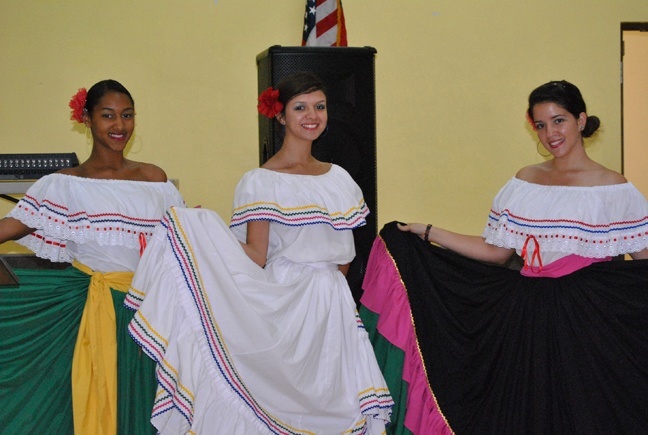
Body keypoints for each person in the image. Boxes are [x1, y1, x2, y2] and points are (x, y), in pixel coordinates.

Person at [359, 80, 648, 434]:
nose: (550, 134)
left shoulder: (614, 188)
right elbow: (496, 252)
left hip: (587, 323)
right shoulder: (524, 182)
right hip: (525, 316)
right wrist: (429, 232)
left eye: (559, 121)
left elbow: (643, 264)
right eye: (540, 125)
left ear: (581, 120)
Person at [125, 71, 393, 434]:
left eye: (320, 107)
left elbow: (344, 258)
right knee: (280, 401)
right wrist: (206, 233)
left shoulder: (340, 178)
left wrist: (332, 299)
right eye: (300, 107)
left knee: (337, 399)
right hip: (285, 302)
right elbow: (256, 255)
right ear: (280, 115)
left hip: (331, 304)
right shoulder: (261, 181)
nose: (312, 115)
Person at [0, 79, 185, 434]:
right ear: (87, 119)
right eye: (108, 116)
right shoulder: (64, 183)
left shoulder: (155, 180)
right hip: (89, 309)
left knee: (142, 402)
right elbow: (12, 226)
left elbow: (178, 246)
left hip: (148, 313)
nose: (119, 126)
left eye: (127, 115)